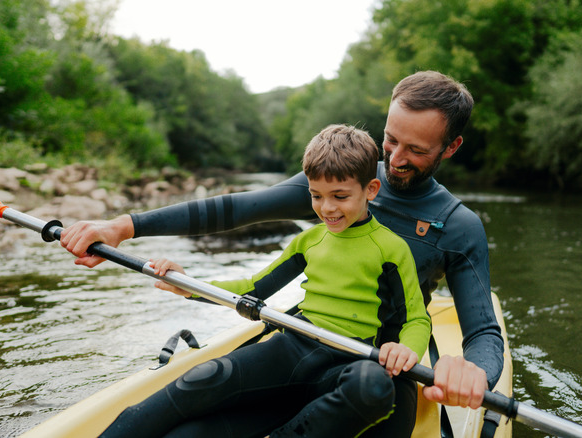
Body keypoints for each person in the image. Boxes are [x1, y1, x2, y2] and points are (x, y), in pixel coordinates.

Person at [61, 70, 504, 412]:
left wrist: (475, 374)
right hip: (305, 340)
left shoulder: (458, 226)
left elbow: (483, 331)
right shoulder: (343, 179)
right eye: (390, 139)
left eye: (417, 150)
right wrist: (123, 226)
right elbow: (233, 209)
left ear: (451, 147)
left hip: (381, 371)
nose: (395, 158)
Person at [99, 124, 432, 437]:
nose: (327, 208)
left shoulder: (390, 248)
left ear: (370, 189)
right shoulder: (310, 240)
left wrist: (407, 349)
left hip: (347, 362)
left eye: (340, 196)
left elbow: (416, 318)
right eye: (316, 196)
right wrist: (188, 286)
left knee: (372, 384)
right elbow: (254, 288)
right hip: (292, 348)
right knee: (202, 379)